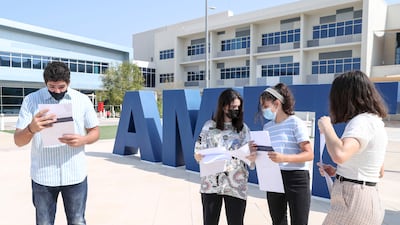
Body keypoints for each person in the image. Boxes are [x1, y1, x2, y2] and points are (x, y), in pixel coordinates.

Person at [14, 61, 100, 225]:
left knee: (77, 221)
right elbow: (18, 140)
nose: (57, 91)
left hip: (75, 174)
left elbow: (95, 132)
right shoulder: (31, 101)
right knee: (44, 223)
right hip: (43, 177)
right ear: (45, 82)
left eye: (61, 87)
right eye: (52, 87)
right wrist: (31, 128)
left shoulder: (82, 100)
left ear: (68, 82)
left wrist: (83, 139)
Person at [317, 70, 388, 225]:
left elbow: (339, 154)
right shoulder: (375, 122)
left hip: (353, 200)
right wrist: (339, 172)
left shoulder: (361, 121)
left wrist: (326, 126)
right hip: (368, 197)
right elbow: (378, 171)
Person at [194, 88, 257, 225]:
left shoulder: (243, 129)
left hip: (236, 185)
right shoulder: (209, 127)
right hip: (211, 184)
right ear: (223, 106)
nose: (236, 110)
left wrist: (252, 157)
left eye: (238, 107)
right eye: (233, 106)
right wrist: (200, 156)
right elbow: (198, 152)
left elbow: (251, 156)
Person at [257, 83, 314, 225]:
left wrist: (284, 158)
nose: (263, 110)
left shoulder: (295, 122)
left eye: (265, 106)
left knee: (299, 222)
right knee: (278, 221)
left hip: (296, 178)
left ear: (277, 103)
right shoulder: (267, 127)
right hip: (274, 177)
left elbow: (309, 154)